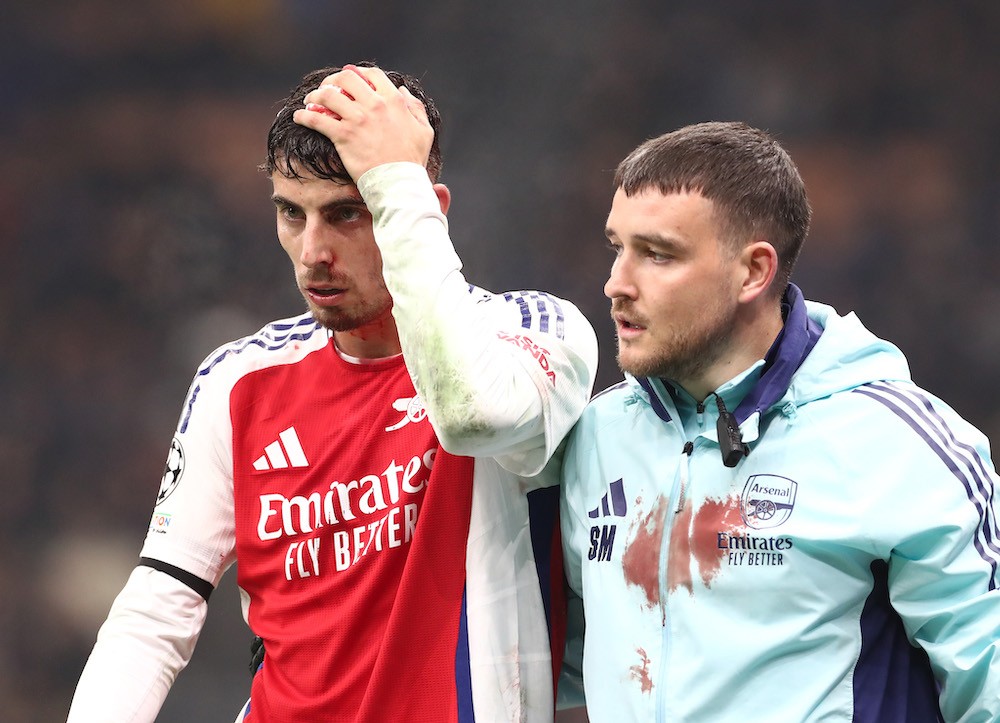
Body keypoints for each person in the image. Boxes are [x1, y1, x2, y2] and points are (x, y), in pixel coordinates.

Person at [67, 63, 598, 722]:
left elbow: (472, 415)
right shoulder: (236, 380)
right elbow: (156, 609)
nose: (313, 250)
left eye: (348, 213)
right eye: (292, 213)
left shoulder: (532, 333)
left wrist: (397, 182)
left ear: (425, 210)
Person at [557, 121, 1000, 721]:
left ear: (753, 272)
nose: (616, 285)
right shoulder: (596, 437)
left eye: (658, 254)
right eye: (618, 247)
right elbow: (559, 662)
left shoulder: (897, 445)